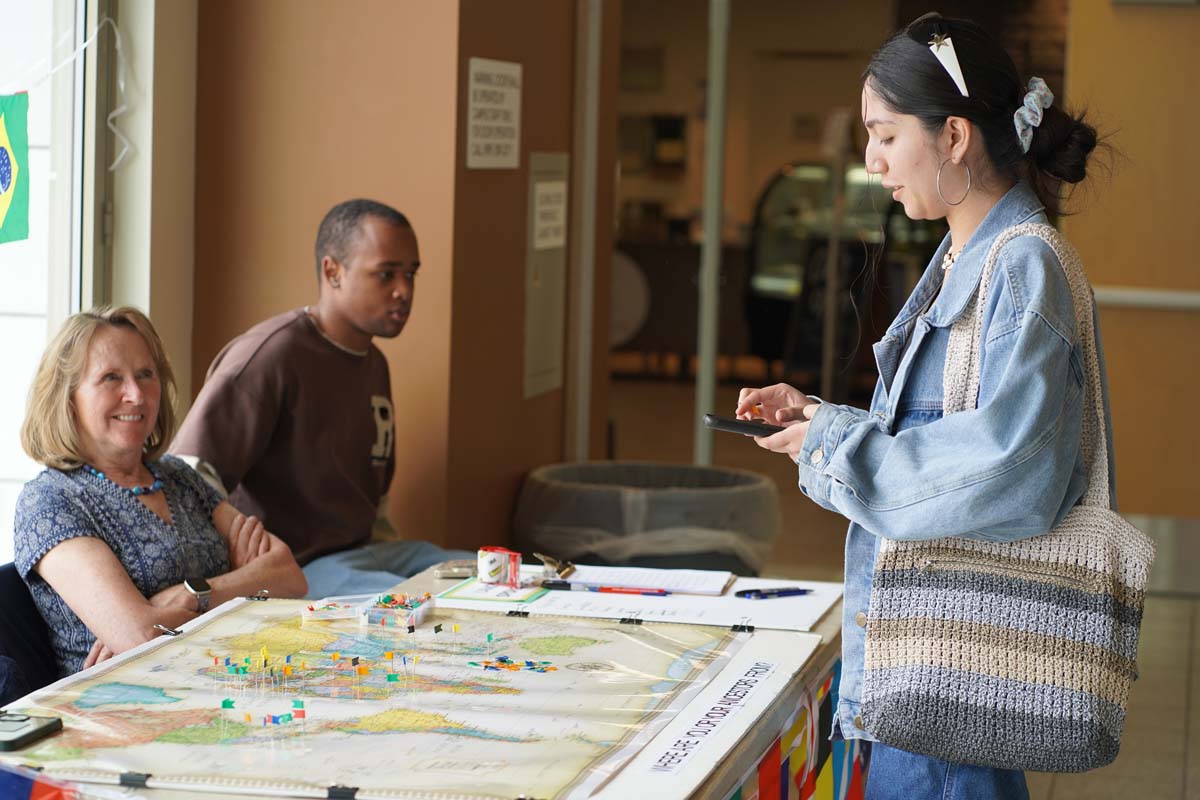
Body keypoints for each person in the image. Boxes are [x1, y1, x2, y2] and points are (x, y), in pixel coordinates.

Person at [735, 13, 1108, 800]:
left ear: (955, 138)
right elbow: (948, 440)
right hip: (926, 671)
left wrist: (833, 445)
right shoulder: (966, 256)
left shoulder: (1021, 267)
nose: (871, 161)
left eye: (885, 134)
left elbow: (1005, 471)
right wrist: (820, 419)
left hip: (952, 680)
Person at [171, 199, 471, 598]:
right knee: (432, 604)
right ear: (333, 272)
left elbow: (374, 500)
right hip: (299, 565)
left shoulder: (373, 363)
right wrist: (229, 572)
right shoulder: (270, 356)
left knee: (491, 576)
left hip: (367, 552)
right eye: (385, 275)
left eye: (410, 274)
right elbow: (186, 475)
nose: (404, 291)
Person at [14, 307, 307, 678]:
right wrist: (243, 584)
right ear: (67, 398)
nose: (136, 394)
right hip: (121, 705)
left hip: (225, 676)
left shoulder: (178, 476)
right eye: (110, 378)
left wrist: (193, 595)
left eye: (145, 375)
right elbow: (139, 636)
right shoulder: (51, 502)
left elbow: (288, 575)